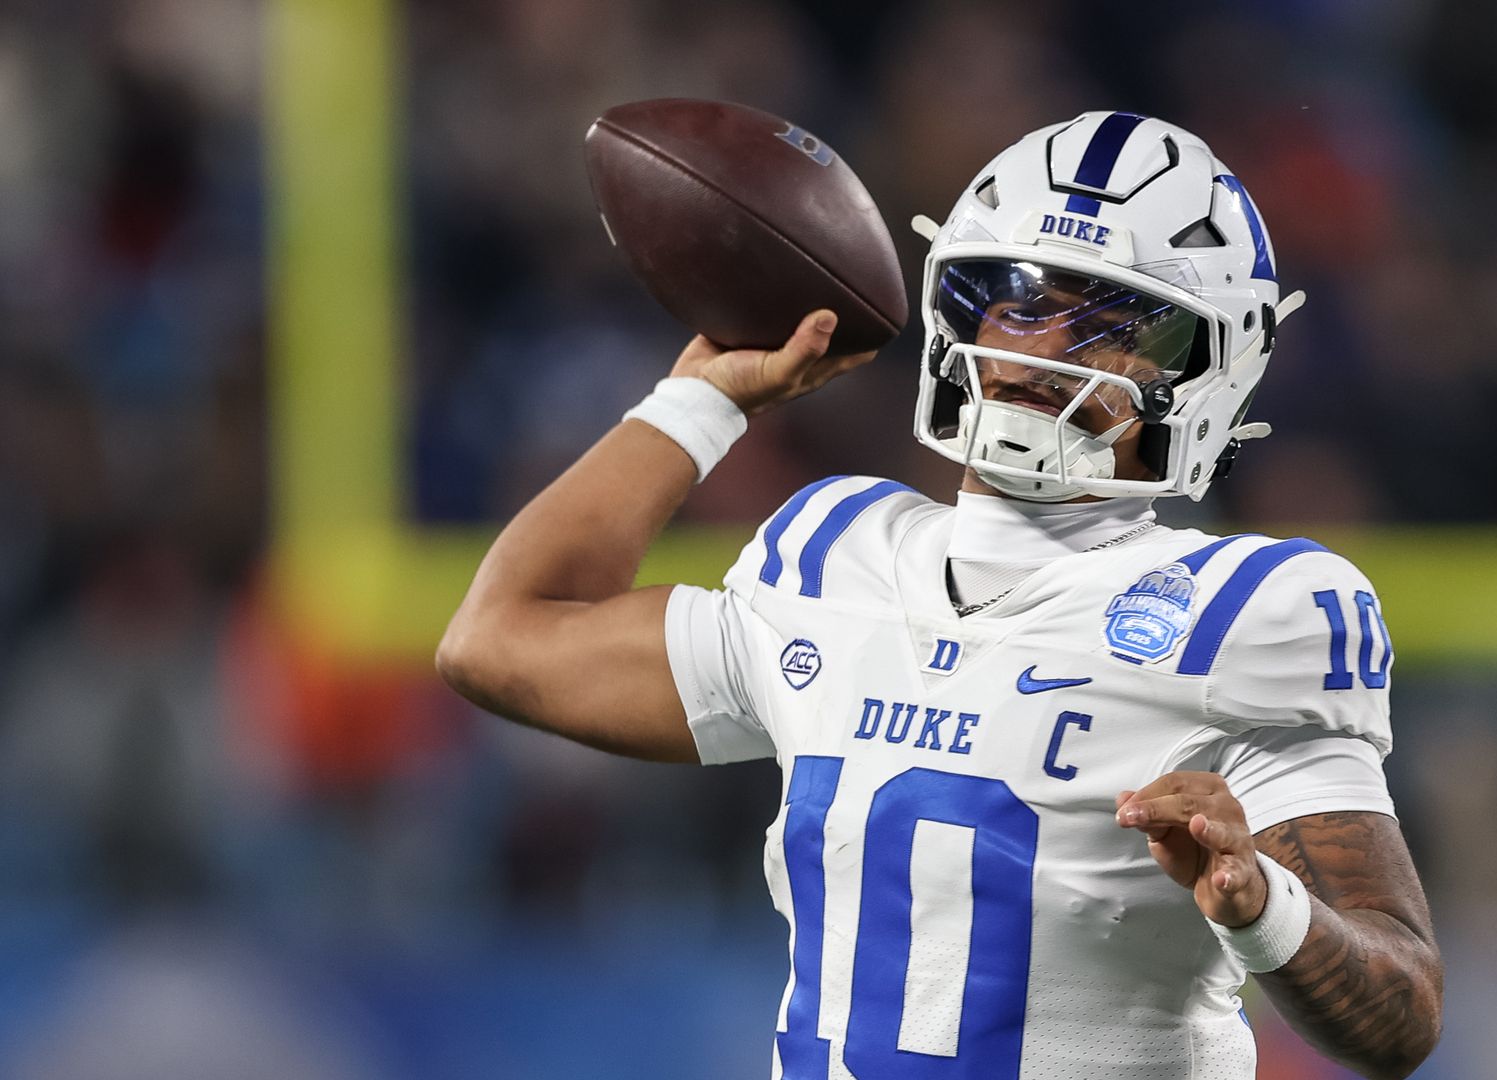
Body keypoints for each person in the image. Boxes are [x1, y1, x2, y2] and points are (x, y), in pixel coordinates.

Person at [438, 111, 1443, 1079]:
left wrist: (1260, 904)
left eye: (1109, 323)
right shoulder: (832, 556)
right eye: (1015, 300)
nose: (1042, 350)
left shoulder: (1243, 611)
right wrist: (702, 398)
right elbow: (501, 637)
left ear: (1204, 374)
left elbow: (1399, 1014)